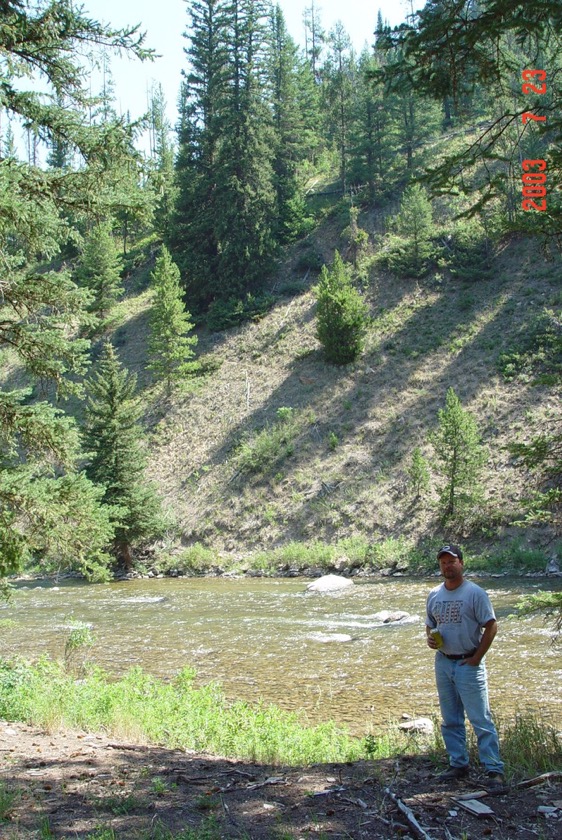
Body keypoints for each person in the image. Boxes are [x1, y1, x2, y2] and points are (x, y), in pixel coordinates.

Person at [426, 544, 505, 788]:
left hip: (469, 662)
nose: (447, 566)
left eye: (451, 561)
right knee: (450, 718)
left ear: (461, 563)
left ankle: (494, 770)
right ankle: (458, 764)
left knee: (480, 719)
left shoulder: (475, 593)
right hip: (443, 661)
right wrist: (430, 638)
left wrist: (477, 658)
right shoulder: (434, 594)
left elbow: (491, 626)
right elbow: (430, 623)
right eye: (443, 562)